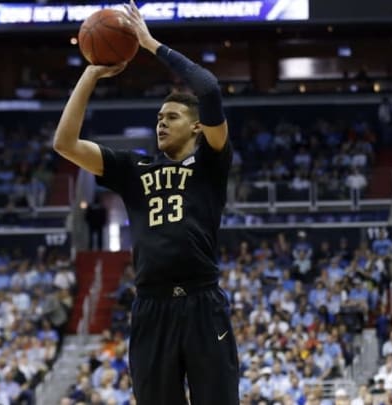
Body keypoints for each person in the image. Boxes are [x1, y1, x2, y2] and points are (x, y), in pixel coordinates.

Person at [52, 1, 237, 403]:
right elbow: (64, 143)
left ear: (197, 127)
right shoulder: (133, 168)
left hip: (202, 301)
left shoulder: (211, 162)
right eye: (158, 118)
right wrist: (91, 74)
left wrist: (151, 44)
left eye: (171, 117)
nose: (161, 123)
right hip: (151, 307)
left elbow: (208, 88)